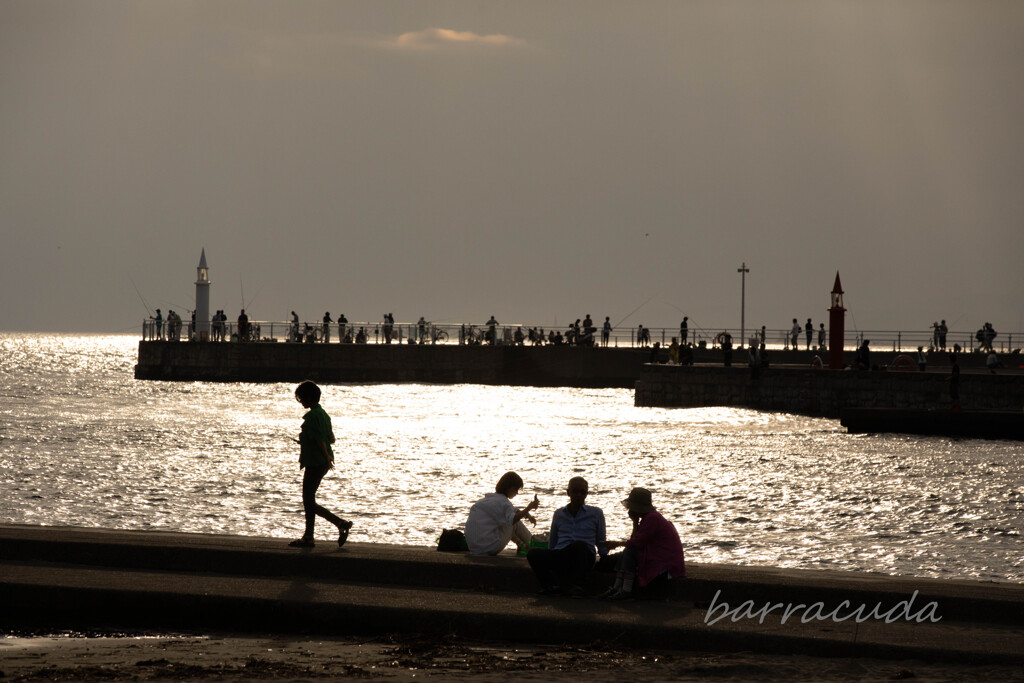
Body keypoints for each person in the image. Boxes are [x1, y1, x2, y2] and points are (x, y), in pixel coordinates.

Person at [289, 381, 352, 548]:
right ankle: (308, 537)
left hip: (316, 461)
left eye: (301, 398)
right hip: (321, 461)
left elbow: (319, 441)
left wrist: (325, 456)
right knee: (309, 499)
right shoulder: (324, 415)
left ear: (308, 398)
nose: (300, 401)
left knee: (308, 501)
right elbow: (331, 439)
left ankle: (340, 523)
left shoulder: (311, 417)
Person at [527, 476, 607, 597]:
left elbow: (601, 540)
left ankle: (577, 586)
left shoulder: (596, 513)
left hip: (584, 556)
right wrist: (550, 555)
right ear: (568, 493)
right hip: (562, 554)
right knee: (533, 554)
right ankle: (550, 586)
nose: (579, 495)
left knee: (578, 546)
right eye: (575, 491)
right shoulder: (559, 514)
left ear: (587, 494)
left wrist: (604, 557)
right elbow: (553, 542)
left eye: (583, 492)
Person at [599, 487, 685, 601]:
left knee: (629, 551)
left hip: (665, 562)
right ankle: (616, 588)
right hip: (656, 555)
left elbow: (637, 543)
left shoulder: (652, 518)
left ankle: (626, 590)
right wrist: (635, 522)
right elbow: (636, 540)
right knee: (627, 551)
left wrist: (616, 543)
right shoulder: (648, 518)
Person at [465, 472, 538, 556]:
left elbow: (513, 510)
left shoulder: (487, 500)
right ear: (510, 488)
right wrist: (529, 507)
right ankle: (534, 545)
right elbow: (513, 520)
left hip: (474, 548)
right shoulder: (504, 502)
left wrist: (528, 515)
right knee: (514, 523)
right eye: (516, 490)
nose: (517, 493)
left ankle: (520, 543)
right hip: (489, 548)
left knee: (504, 522)